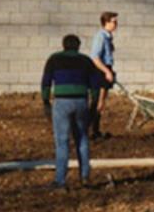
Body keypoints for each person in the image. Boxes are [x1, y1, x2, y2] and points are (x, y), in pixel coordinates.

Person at [40, 34, 101, 191]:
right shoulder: (86, 61)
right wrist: (94, 104)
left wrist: (46, 101)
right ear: (78, 46)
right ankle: (85, 176)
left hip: (61, 102)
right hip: (81, 102)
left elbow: (46, 81)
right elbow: (95, 85)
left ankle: (60, 181)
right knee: (82, 139)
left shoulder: (54, 59)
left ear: (63, 45)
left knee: (62, 141)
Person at [88, 11, 118, 139]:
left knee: (101, 103)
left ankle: (95, 130)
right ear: (106, 23)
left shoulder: (108, 36)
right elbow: (95, 57)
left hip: (106, 69)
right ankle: (90, 130)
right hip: (100, 71)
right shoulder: (100, 36)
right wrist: (106, 71)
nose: (116, 24)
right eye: (113, 21)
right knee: (97, 102)